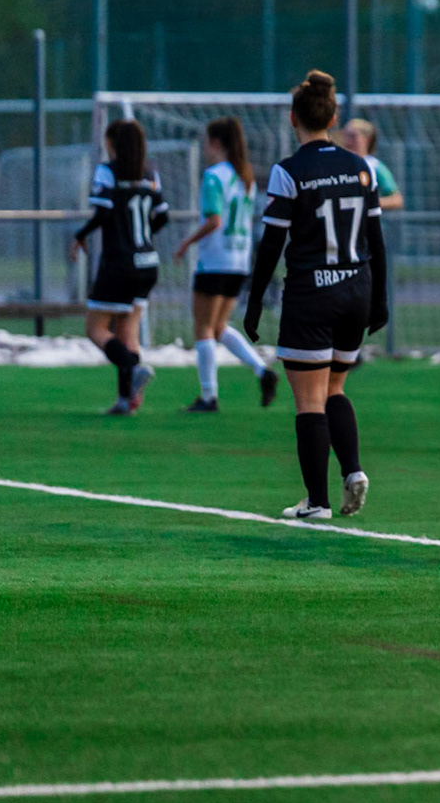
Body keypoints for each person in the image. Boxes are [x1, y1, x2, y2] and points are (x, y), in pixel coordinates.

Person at [244, 70, 388, 520]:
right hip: (357, 290)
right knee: (335, 387)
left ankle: (318, 502)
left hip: (312, 294)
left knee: (308, 400)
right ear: (333, 116)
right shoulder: (362, 168)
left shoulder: (289, 172)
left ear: (293, 118)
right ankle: (353, 470)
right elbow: (377, 240)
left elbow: (272, 245)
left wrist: (253, 304)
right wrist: (380, 299)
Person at [173, 117, 279, 412]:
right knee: (218, 326)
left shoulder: (213, 176)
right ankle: (263, 371)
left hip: (215, 259)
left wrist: (186, 243)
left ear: (216, 143)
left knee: (203, 327)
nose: (205, 148)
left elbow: (214, 220)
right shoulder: (245, 176)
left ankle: (208, 396)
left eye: (207, 142)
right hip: (239, 259)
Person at [70, 121, 169, 414]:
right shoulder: (150, 173)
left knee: (95, 328)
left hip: (119, 262)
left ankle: (131, 366)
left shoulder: (108, 171)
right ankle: (127, 399)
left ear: (113, 143)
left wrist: (80, 234)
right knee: (128, 330)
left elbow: (104, 211)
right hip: (147, 262)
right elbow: (162, 217)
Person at [342, 119, 404, 210]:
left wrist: (366, 203)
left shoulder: (374, 166)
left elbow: (396, 200)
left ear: (367, 139)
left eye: (353, 136)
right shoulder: (340, 163)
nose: (347, 142)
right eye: (345, 136)